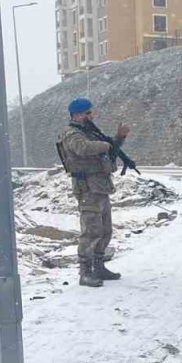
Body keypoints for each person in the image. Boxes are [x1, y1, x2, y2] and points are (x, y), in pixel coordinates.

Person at [58, 98, 131, 288]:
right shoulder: (71, 133)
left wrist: (119, 138)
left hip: (100, 186)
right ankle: (85, 272)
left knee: (105, 229)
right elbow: (83, 148)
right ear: (78, 114)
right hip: (87, 188)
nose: (91, 116)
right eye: (88, 113)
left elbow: (109, 146)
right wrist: (105, 145)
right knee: (91, 231)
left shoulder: (90, 131)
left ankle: (99, 266)